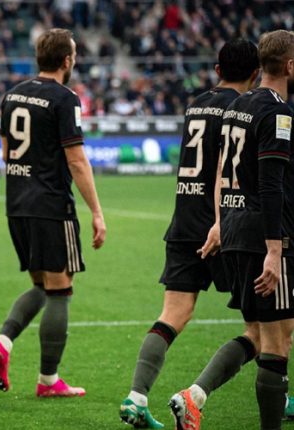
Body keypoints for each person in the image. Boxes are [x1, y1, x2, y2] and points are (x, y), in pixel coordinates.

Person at [118, 38, 260, 429]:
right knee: (263, 330)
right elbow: (227, 170)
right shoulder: (244, 108)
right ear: (255, 73)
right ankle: (198, 396)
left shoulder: (196, 103)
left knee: (173, 314)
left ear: (217, 70)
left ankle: (136, 397)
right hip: (225, 224)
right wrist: (221, 221)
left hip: (183, 221)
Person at [169, 30, 294, 430]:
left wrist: (221, 222)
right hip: (264, 236)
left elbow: (222, 168)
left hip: (236, 231)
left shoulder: (239, 105)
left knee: (262, 332)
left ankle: (195, 396)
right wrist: (274, 250)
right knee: (277, 343)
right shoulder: (277, 113)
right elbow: (271, 185)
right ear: (289, 66)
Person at [0, 28, 106, 398]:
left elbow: (6, 151)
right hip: (51, 205)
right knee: (60, 290)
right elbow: (77, 160)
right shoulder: (65, 98)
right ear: (67, 60)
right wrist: (97, 211)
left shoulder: (12, 95)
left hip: (17, 204)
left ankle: (3, 343)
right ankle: (48, 381)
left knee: (41, 285)